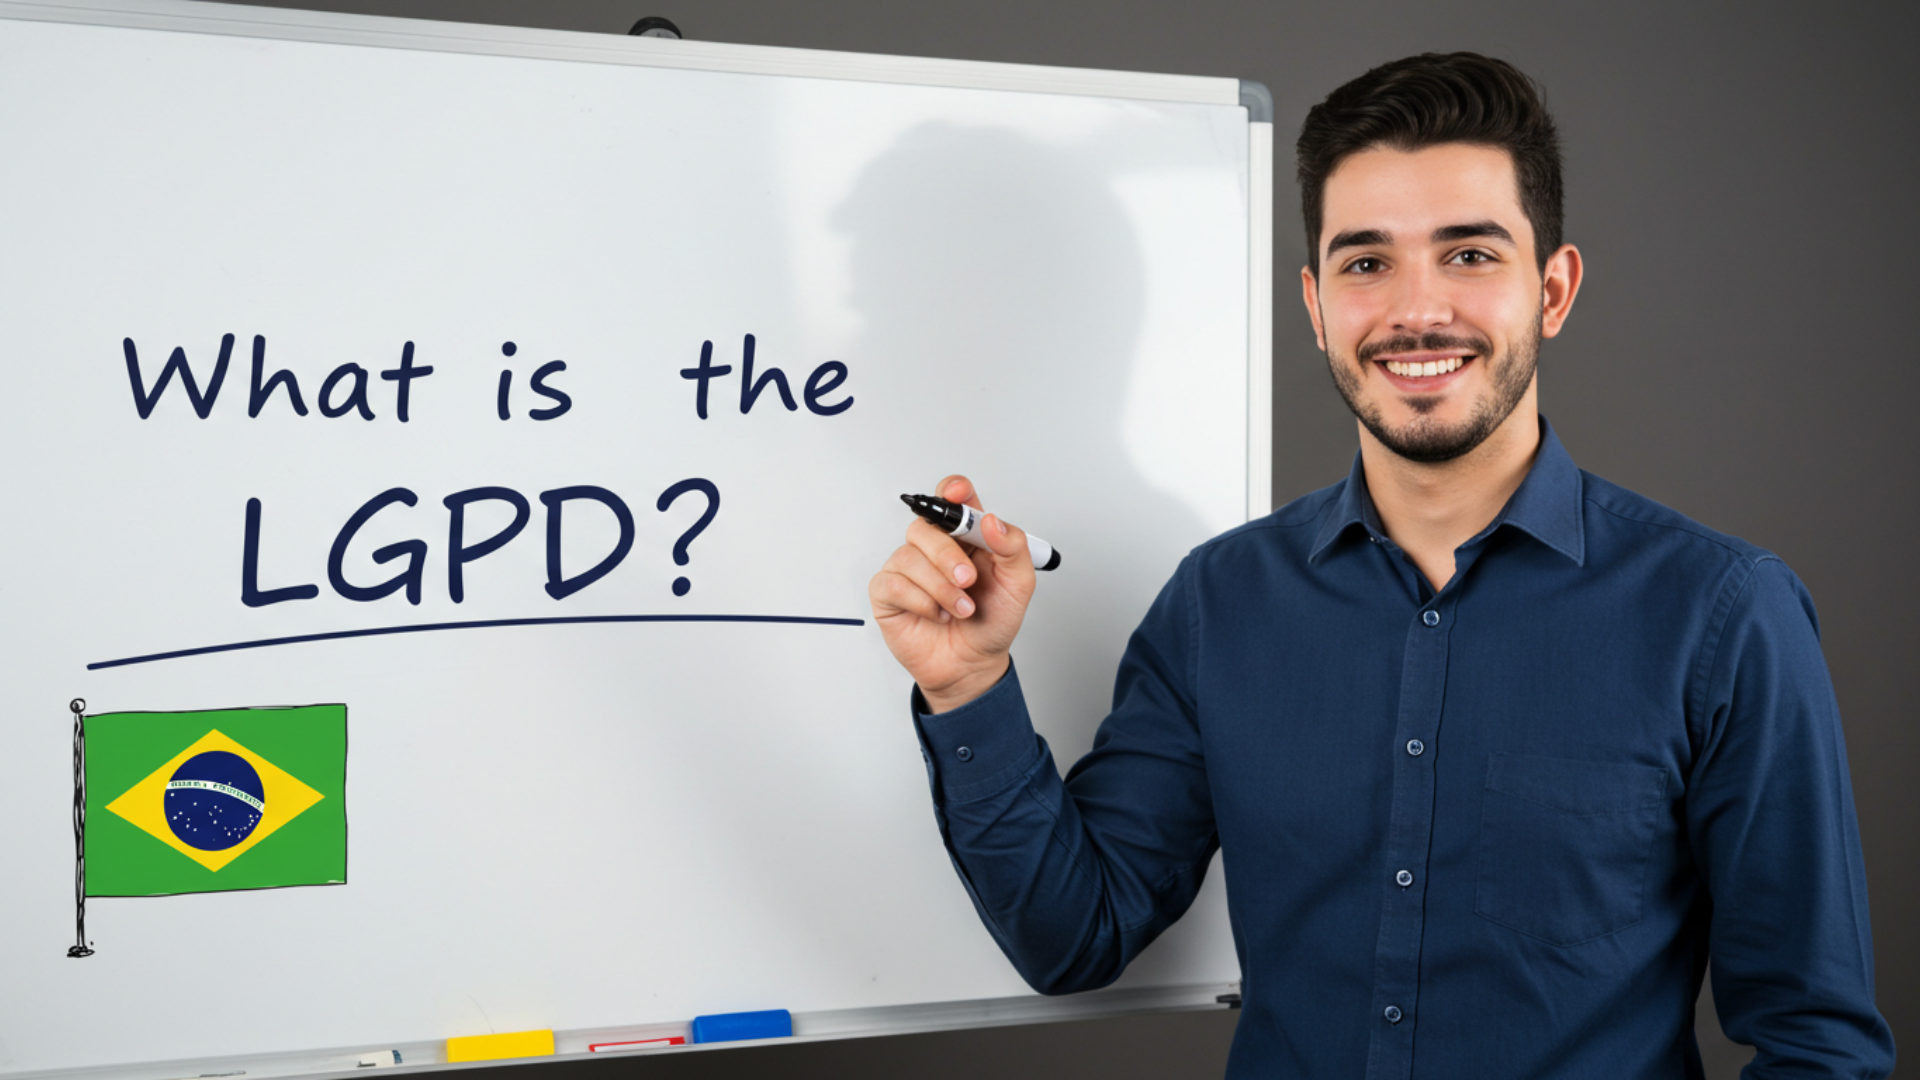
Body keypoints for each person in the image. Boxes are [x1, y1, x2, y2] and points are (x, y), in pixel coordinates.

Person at [868, 52, 1895, 1079]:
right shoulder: (1218, 604)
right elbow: (1072, 937)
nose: (1416, 310)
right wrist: (968, 687)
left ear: (1554, 289)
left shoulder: (1722, 616)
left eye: (1469, 255)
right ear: (1316, 307)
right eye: (1367, 263)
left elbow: (1818, 1043)